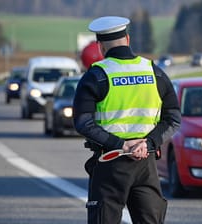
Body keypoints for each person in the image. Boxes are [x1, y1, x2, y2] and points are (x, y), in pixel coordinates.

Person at [73, 16, 181, 224]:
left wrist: (121, 144)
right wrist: (147, 143)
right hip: (146, 162)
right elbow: (173, 118)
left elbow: (83, 123)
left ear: (100, 46)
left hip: (111, 162)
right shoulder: (154, 72)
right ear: (128, 39)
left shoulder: (96, 75)